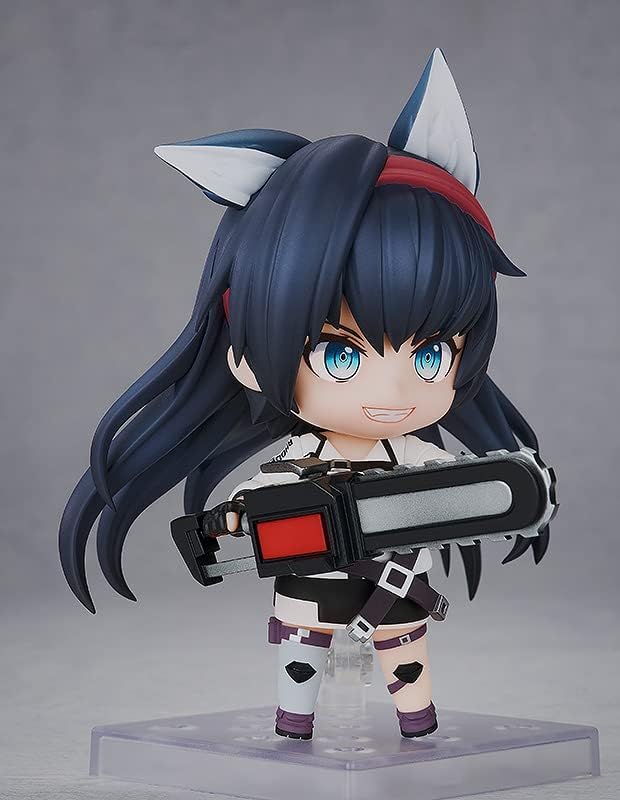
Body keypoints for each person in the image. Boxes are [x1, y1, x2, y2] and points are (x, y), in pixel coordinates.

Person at [59, 49, 550, 740]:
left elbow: (470, 494)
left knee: (405, 655)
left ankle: (416, 722)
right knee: (300, 653)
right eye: (341, 355)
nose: (392, 391)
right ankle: (295, 722)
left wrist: (491, 499)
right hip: (309, 582)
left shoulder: (418, 463)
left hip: (397, 582)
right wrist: (235, 523)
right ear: (246, 356)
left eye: (432, 353)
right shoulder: (296, 460)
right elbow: (256, 507)